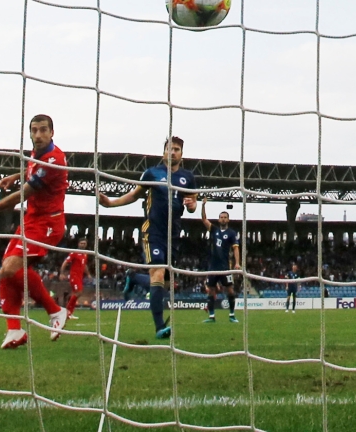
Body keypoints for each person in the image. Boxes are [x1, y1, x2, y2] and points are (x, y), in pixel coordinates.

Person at [0, 115, 68, 349]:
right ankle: (14, 330)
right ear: (30, 133)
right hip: (31, 220)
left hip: (48, 224)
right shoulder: (37, 153)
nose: (39, 135)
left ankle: (55, 310)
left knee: (12, 268)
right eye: (34, 130)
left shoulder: (54, 160)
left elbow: (22, 194)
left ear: (52, 133)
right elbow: (31, 170)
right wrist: (15, 175)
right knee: (4, 272)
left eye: (43, 130)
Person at [98, 137, 197, 339]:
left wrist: (191, 206)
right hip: (153, 231)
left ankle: (133, 277)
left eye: (176, 149)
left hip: (174, 234)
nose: (173, 153)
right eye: (169, 149)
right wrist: (110, 203)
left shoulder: (188, 177)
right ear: (164, 153)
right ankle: (160, 327)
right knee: (158, 274)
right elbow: (135, 195)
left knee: (165, 280)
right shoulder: (152, 173)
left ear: (182, 154)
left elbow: (193, 204)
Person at [200, 198, 239, 323]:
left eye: (225, 217)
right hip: (213, 266)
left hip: (225, 267)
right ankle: (211, 316)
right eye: (221, 217)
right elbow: (204, 220)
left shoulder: (232, 233)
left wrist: (237, 263)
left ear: (228, 220)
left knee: (230, 290)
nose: (223, 219)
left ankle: (232, 315)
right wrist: (203, 206)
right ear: (218, 219)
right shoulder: (214, 230)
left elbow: (236, 248)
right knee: (211, 290)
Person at [59, 238, 92, 320]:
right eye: (81, 243)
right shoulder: (74, 253)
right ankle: (67, 311)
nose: (83, 245)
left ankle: (69, 313)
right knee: (78, 292)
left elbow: (84, 265)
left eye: (84, 243)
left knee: (76, 293)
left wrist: (88, 274)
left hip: (80, 277)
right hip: (74, 276)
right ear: (78, 244)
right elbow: (65, 262)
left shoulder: (85, 254)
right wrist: (62, 273)